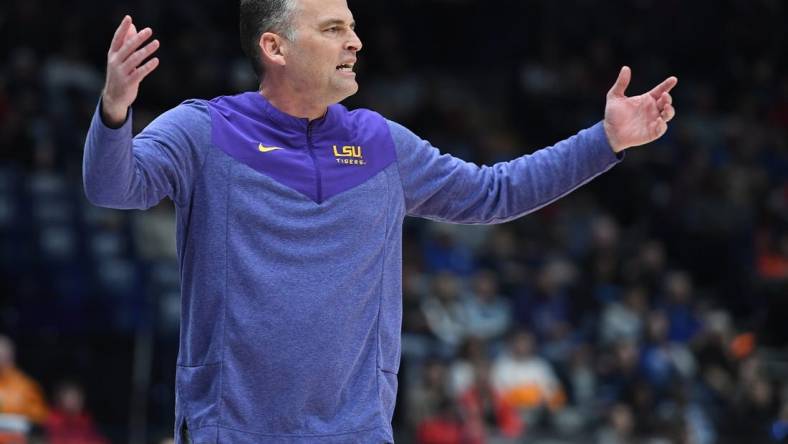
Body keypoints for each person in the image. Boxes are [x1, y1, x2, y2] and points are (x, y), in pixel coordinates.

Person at [82, 0, 677, 441]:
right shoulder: (204, 131)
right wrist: (114, 111)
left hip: (357, 431)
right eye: (334, 28)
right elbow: (113, 187)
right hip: (234, 429)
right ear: (275, 47)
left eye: (353, 25)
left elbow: (496, 192)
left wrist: (605, 141)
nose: (356, 41)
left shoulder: (380, 143)